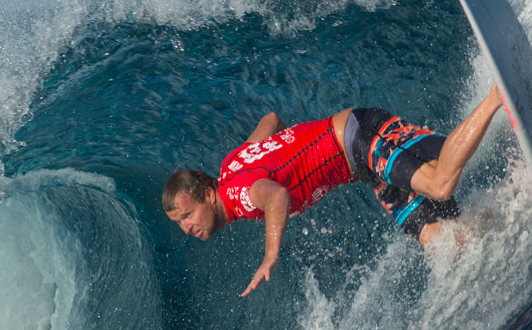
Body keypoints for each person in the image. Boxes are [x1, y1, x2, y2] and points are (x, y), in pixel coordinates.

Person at [163, 85, 504, 296]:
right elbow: (270, 121)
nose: (187, 227)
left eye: (188, 214)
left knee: (440, 183)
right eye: (180, 222)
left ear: (208, 195)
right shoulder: (230, 167)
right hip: (363, 163)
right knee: (440, 242)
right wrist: (289, 147)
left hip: (357, 139)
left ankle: (495, 97)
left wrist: (271, 254)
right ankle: (510, 206)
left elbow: (276, 196)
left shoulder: (237, 194)